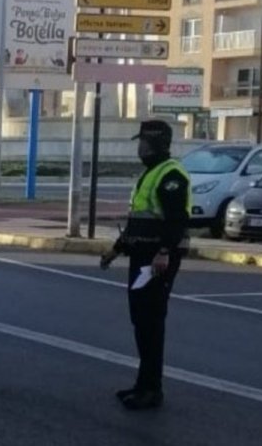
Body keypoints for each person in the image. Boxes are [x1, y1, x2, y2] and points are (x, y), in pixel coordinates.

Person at [100, 119, 190, 410]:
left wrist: (164, 252)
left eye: (143, 143)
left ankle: (152, 389)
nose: (139, 148)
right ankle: (143, 384)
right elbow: (140, 222)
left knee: (151, 324)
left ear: (155, 144)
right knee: (141, 322)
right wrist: (115, 250)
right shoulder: (151, 174)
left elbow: (177, 221)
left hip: (157, 261)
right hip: (142, 258)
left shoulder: (171, 175)